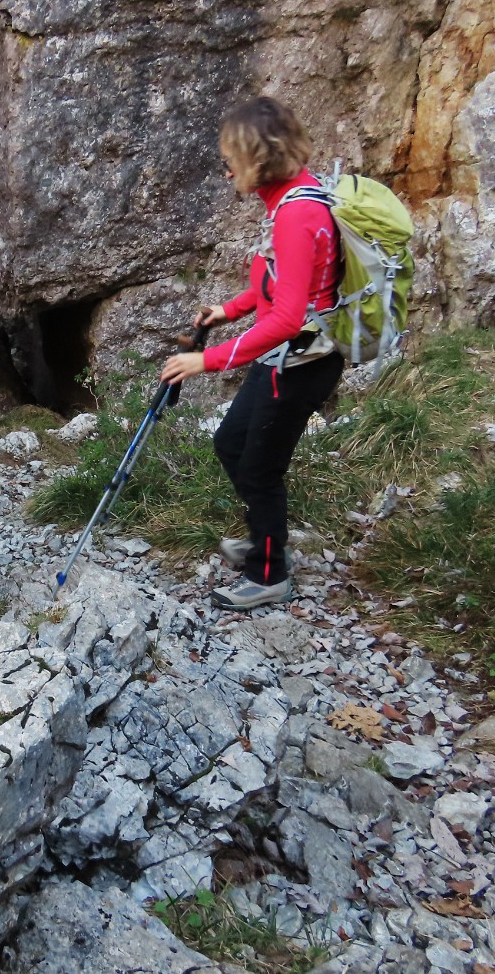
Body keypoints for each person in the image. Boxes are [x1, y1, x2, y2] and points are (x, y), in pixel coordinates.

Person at [161, 96, 345, 610]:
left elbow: (287, 318)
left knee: (260, 468)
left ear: (257, 160)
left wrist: (208, 359)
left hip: (300, 363)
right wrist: (230, 309)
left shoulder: (294, 215)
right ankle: (265, 538)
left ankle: (269, 574)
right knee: (232, 444)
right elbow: (282, 286)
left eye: (230, 160)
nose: (227, 171)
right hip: (291, 357)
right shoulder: (298, 195)